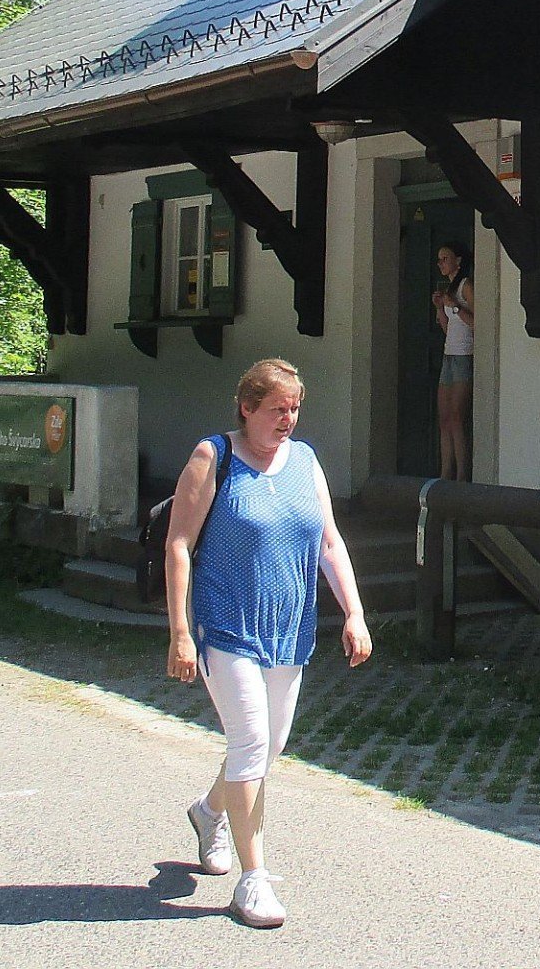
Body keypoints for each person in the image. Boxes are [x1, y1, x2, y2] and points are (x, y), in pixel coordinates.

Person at [164, 357, 371, 929]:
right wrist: (181, 631)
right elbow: (178, 545)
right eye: (278, 409)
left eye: (296, 408)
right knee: (252, 741)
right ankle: (252, 882)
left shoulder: (305, 461)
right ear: (247, 407)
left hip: (289, 625)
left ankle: (209, 812)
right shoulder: (215, 457)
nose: (289, 419)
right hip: (225, 624)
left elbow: (329, 541)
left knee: (266, 746)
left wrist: (354, 613)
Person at [430, 242, 474, 482]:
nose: (441, 264)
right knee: (444, 417)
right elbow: (449, 330)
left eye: (445, 258)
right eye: (439, 260)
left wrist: (454, 307)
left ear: (458, 260)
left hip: (464, 356)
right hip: (449, 355)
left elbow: (477, 322)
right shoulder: (449, 289)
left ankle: (461, 474)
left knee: (457, 417)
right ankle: (445, 471)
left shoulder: (466, 286)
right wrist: (440, 309)